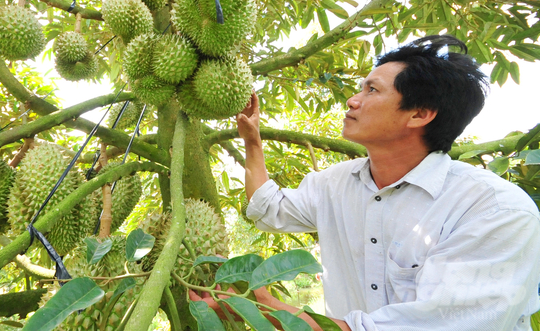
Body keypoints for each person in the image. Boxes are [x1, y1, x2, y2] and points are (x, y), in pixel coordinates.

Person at [191, 35, 540, 330]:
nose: (353, 100)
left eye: (372, 90)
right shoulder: (335, 184)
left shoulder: (495, 209)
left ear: (420, 114)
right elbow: (268, 209)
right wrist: (252, 141)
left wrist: (267, 309)